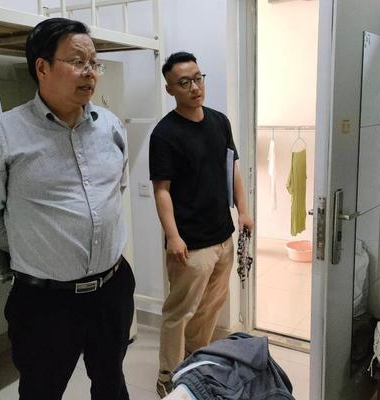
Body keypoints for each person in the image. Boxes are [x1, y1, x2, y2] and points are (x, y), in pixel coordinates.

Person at [0, 18, 135, 400]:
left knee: (111, 383)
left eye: (94, 63)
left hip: (112, 289)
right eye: (77, 61)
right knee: (41, 391)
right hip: (45, 302)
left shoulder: (110, 125)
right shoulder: (2, 135)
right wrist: (35, 246)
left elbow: (117, 189)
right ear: (42, 67)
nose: (90, 72)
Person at [149, 51, 254, 398]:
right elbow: (162, 190)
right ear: (170, 89)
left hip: (223, 236)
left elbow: (231, 168)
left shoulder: (219, 122)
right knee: (179, 312)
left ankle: (195, 364)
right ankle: (167, 376)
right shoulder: (165, 134)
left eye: (197, 78)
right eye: (184, 82)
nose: (194, 87)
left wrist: (243, 211)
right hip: (190, 244)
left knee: (210, 307)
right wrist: (173, 237)